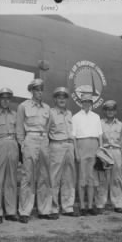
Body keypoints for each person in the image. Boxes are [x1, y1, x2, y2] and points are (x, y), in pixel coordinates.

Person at [16, 78, 53, 223]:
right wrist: (22, 144)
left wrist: (45, 140)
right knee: (27, 176)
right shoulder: (23, 106)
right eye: (36, 89)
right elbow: (19, 128)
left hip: (43, 139)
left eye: (41, 89)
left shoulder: (47, 108)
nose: (39, 92)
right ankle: (25, 211)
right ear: (31, 91)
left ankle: (44, 210)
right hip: (30, 139)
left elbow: (48, 127)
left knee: (44, 176)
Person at [48, 87, 78, 218]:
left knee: (69, 178)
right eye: (59, 97)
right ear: (55, 99)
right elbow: (46, 131)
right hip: (56, 146)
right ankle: (53, 208)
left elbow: (73, 133)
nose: (61, 100)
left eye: (64, 97)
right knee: (54, 178)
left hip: (69, 146)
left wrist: (75, 150)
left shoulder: (69, 113)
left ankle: (68, 207)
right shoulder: (50, 113)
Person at [72, 92, 103, 216]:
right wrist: (76, 152)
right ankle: (82, 206)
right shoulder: (75, 117)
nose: (87, 103)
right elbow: (73, 137)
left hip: (94, 146)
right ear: (81, 102)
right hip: (81, 145)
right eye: (84, 101)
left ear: (91, 103)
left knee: (92, 178)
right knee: (82, 178)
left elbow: (100, 134)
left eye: (89, 102)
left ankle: (90, 206)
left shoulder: (96, 116)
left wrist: (100, 149)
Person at [0, 87, 19, 223]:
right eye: (2, 98)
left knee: (12, 179)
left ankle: (10, 211)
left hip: (13, 144)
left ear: (10, 100)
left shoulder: (15, 115)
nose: (5, 101)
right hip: (0, 143)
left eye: (7, 98)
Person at [95, 100, 122, 214]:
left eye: (112, 110)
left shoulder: (120, 124)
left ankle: (118, 204)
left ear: (115, 111)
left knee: (116, 178)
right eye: (108, 110)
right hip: (104, 151)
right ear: (104, 111)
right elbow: (99, 138)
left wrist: (118, 147)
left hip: (116, 151)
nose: (110, 112)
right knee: (103, 179)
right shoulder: (100, 123)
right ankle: (100, 204)